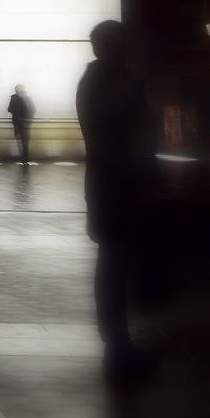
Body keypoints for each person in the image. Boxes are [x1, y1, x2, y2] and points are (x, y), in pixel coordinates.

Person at [76, 20, 160, 381]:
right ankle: (117, 345)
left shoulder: (107, 81)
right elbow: (111, 127)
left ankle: (119, 342)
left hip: (118, 184)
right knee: (113, 266)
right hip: (115, 185)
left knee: (116, 265)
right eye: (120, 43)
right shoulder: (103, 84)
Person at [7, 83, 36, 164]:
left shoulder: (14, 98)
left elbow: (9, 109)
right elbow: (33, 110)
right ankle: (25, 159)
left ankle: (23, 158)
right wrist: (29, 119)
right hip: (26, 123)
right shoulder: (28, 98)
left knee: (20, 141)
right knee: (25, 141)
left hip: (18, 122)